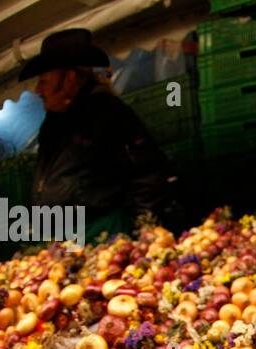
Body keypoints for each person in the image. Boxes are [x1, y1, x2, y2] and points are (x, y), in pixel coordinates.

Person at [21, 28, 175, 240]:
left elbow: (148, 173)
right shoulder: (53, 122)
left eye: (44, 81)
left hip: (102, 233)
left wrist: (143, 233)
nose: (38, 89)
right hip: (66, 236)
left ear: (70, 79)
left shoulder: (107, 112)